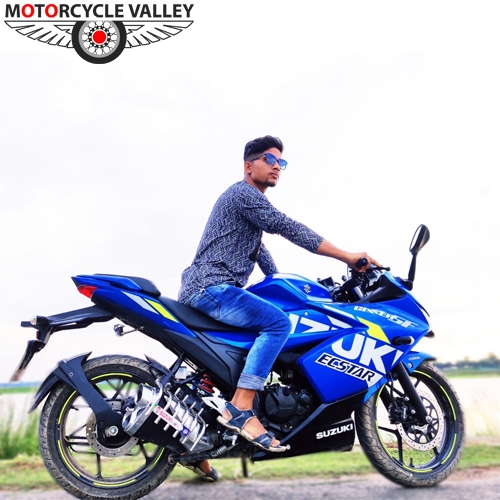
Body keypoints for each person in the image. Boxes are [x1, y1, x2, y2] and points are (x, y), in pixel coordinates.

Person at [178, 135, 380, 471]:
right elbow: (287, 227)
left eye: (281, 163)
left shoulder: (247, 211)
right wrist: (347, 256)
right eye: (270, 160)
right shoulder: (243, 194)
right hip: (211, 288)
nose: (277, 167)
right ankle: (241, 408)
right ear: (249, 166)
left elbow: (266, 261)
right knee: (277, 324)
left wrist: (298, 289)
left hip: (203, 288)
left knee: (231, 356)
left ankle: (195, 445)